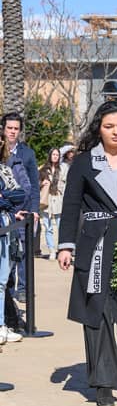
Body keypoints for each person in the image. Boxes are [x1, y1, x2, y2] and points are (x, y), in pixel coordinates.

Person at [58, 102, 117, 406]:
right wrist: (65, 246)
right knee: (97, 310)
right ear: (98, 128)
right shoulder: (85, 163)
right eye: (109, 126)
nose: (116, 132)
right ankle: (102, 381)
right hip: (95, 244)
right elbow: (71, 205)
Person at [1, 112, 39, 303]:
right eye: (10, 128)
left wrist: (35, 211)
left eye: (16, 128)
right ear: (3, 129)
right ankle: (7, 289)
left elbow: (34, 185)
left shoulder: (28, 154)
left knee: (23, 253)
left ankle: (23, 289)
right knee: (8, 253)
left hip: (24, 213)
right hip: (5, 213)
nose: (13, 132)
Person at [0, 137, 26, 346]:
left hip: (5, 228)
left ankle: (1, 325)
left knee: (2, 281)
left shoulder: (4, 169)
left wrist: (3, 199)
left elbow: (19, 194)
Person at [39, 148, 68, 260]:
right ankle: (51, 250)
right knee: (48, 227)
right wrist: (42, 183)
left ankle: (61, 249)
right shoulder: (43, 168)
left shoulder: (63, 168)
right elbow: (36, 182)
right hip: (46, 200)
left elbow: (66, 183)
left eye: (57, 155)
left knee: (61, 226)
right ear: (50, 155)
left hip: (58, 199)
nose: (55, 156)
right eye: (53, 154)